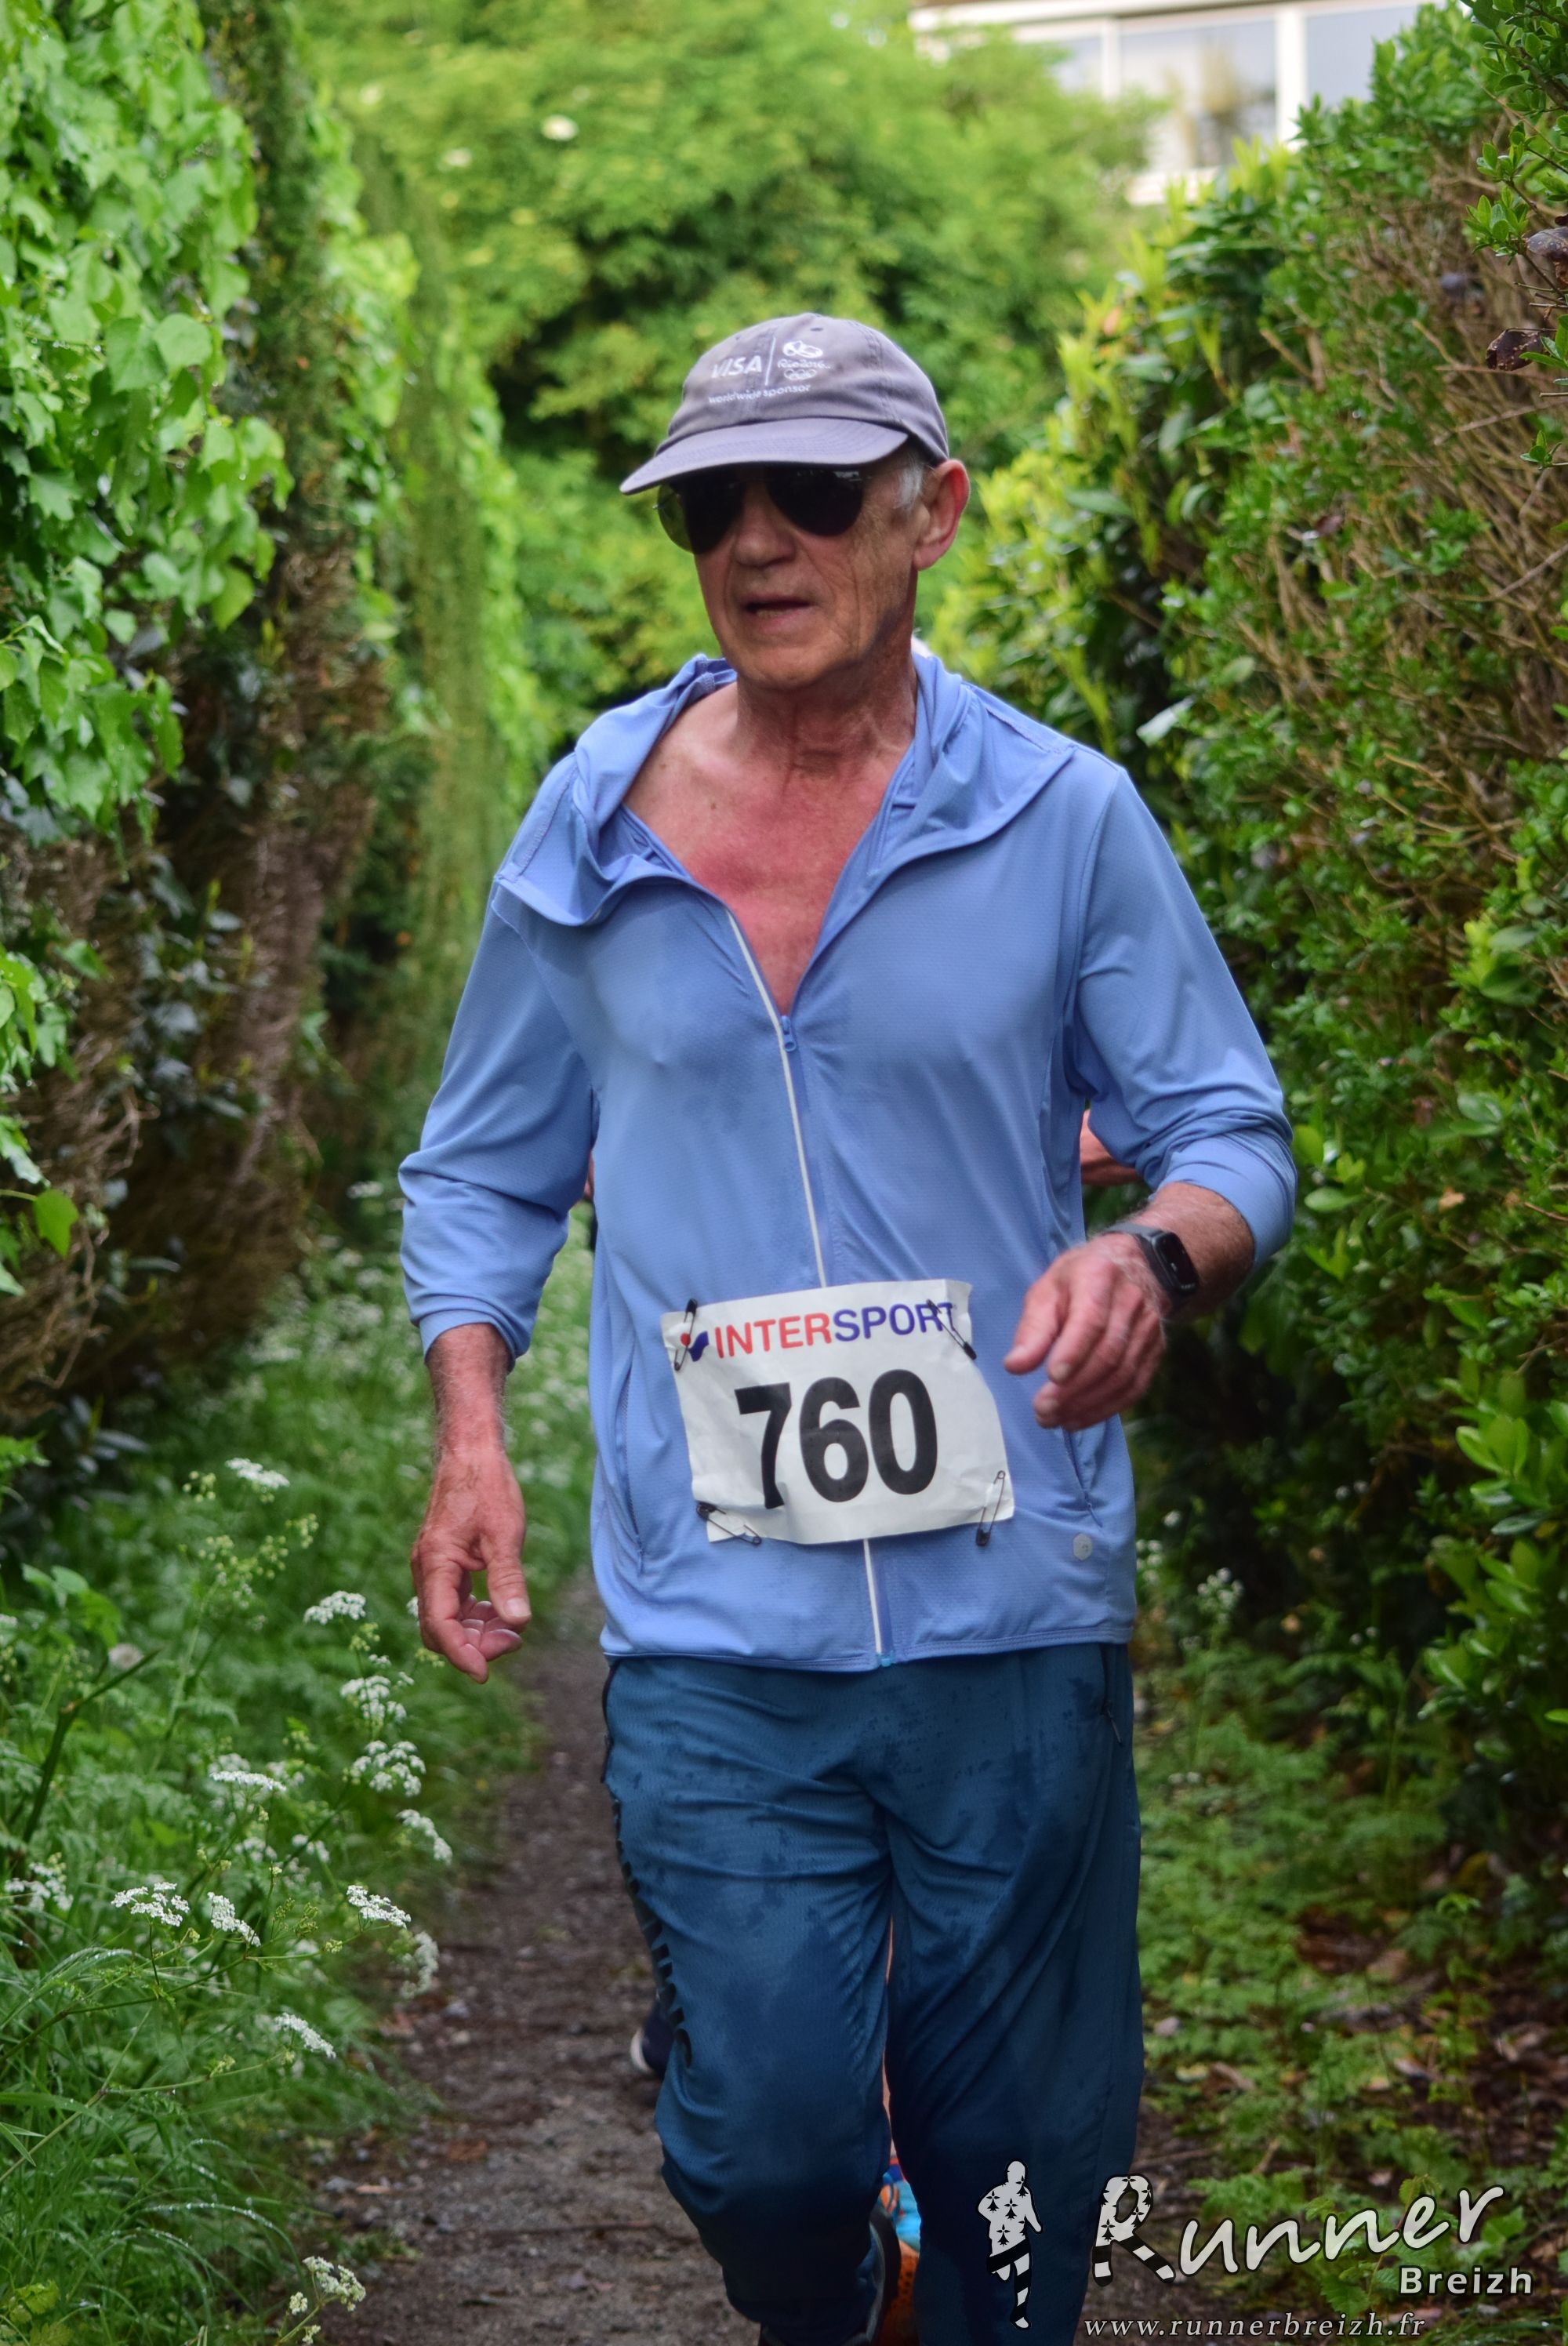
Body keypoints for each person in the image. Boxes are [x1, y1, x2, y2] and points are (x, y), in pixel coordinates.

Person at [399, 312, 1295, 2345]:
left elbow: (1229, 1132)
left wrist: (1153, 1263)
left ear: (932, 512)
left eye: (813, 493)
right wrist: (471, 1429)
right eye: (711, 505)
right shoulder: (593, 829)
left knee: (1020, 2172)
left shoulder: (1064, 818)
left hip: (1012, 1602)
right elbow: (481, 1171)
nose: (758, 541)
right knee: (771, 2151)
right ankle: (829, 2231)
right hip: (716, 1618)